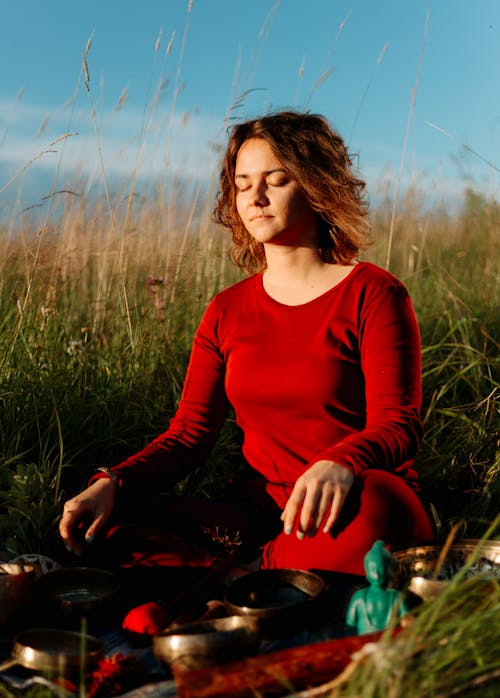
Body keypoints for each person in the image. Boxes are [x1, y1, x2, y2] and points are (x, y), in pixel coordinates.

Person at [59, 110, 434, 581]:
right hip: (259, 518)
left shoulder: (373, 293)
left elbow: (399, 425)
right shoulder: (226, 310)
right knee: (112, 523)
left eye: (275, 181)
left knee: (379, 510)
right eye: (241, 184)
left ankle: (237, 578)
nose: (254, 198)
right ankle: (263, 574)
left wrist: (341, 461)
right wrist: (112, 480)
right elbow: (189, 434)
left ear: (316, 187)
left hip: (352, 507)